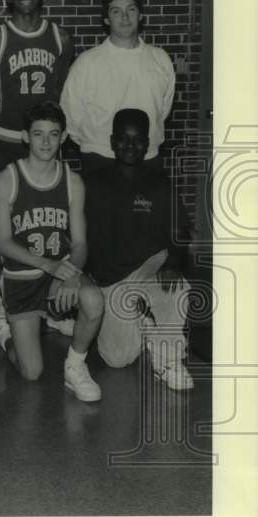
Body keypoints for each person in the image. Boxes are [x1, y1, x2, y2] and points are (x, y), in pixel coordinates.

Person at [0, 0, 75, 347]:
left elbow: (64, 91)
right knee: (4, 224)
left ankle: (49, 303)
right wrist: (3, 127)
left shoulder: (59, 38)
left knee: (47, 222)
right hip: (7, 138)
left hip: (47, 139)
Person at [0, 101, 104, 402]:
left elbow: (79, 244)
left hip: (59, 274)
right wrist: (49, 266)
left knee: (93, 299)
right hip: (21, 277)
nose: (45, 142)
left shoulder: (73, 182)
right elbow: (2, 242)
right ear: (25, 137)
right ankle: (4, 330)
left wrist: (71, 276)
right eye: (38, 134)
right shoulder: (7, 179)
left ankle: (75, 366)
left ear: (63, 136)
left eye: (53, 134)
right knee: (31, 372)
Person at [84, 109, 194, 390]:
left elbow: (180, 231)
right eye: (123, 139)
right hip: (111, 279)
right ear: (111, 142)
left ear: (147, 143)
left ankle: (168, 358)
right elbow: (76, 237)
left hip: (150, 266)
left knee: (178, 288)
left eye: (137, 140)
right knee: (117, 359)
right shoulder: (92, 183)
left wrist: (174, 263)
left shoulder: (160, 184)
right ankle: (142, 321)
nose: (130, 146)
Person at [61, 0, 176, 175]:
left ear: (140, 16)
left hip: (147, 156)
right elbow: (70, 112)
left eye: (131, 9)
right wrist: (97, 144)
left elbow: (162, 109)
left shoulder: (160, 58)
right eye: (116, 11)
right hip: (100, 157)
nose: (124, 17)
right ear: (106, 19)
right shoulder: (87, 62)